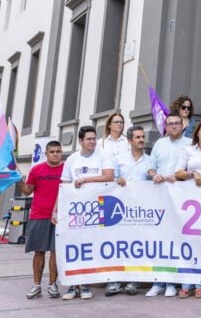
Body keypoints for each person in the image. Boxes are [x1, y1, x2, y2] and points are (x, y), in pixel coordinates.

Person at [58, 126, 114, 301]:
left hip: (97, 207)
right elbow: (64, 186)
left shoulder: (103, 154)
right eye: (88, 139)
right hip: (76, 209)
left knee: (91, 245)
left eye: (94, 138)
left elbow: (109, 176)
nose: (92, 142)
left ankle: (86, 284)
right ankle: (73, 284)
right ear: (80, 141)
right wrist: (56, 209)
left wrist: (85, 179)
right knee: (75, 245)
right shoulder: (72, 159)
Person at [146, 114, 190, 297]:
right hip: (159, 195)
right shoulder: (159, 144)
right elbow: (150, 166)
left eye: (177, 123)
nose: (173, 126)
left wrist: (180, 176)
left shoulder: (189, 144)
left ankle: (171, 282)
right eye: (170, 124)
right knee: (159, 238)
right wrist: (153, 174)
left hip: (180, 196)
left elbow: (191, 169)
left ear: (182, 125)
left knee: (175, 238)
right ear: (166, 126)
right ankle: (158, 282)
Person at [174, 121, 201, 299]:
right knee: (189, 240)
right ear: (197, 133)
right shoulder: (188, 150)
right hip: (190, 200)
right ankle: (186, 283)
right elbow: (178, 172)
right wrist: (192, 173)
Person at [108, 126, 154, 297]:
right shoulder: (119, 158)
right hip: (120, 209)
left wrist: (154, 175)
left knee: (137, 245)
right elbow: (110, 179)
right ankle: (114, 281)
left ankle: (133, 280)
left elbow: (152, 175)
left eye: (142, 137)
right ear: (129, 140)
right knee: (118, 244)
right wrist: (117, 179)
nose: (141, 140)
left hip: (140, 210)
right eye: (137, 137)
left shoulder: (149, 160)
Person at [20, 141, 63, 300]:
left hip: (59, 216)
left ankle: (53, 285)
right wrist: (19, 180)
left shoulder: (67, 169)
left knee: (55, 251)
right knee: (39, 251)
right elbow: (27, 191)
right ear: (46, 154)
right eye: (52, 151)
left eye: (58, 151)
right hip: (38, 215)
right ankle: (36, 285)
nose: (55, 154)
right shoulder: (36, 169)